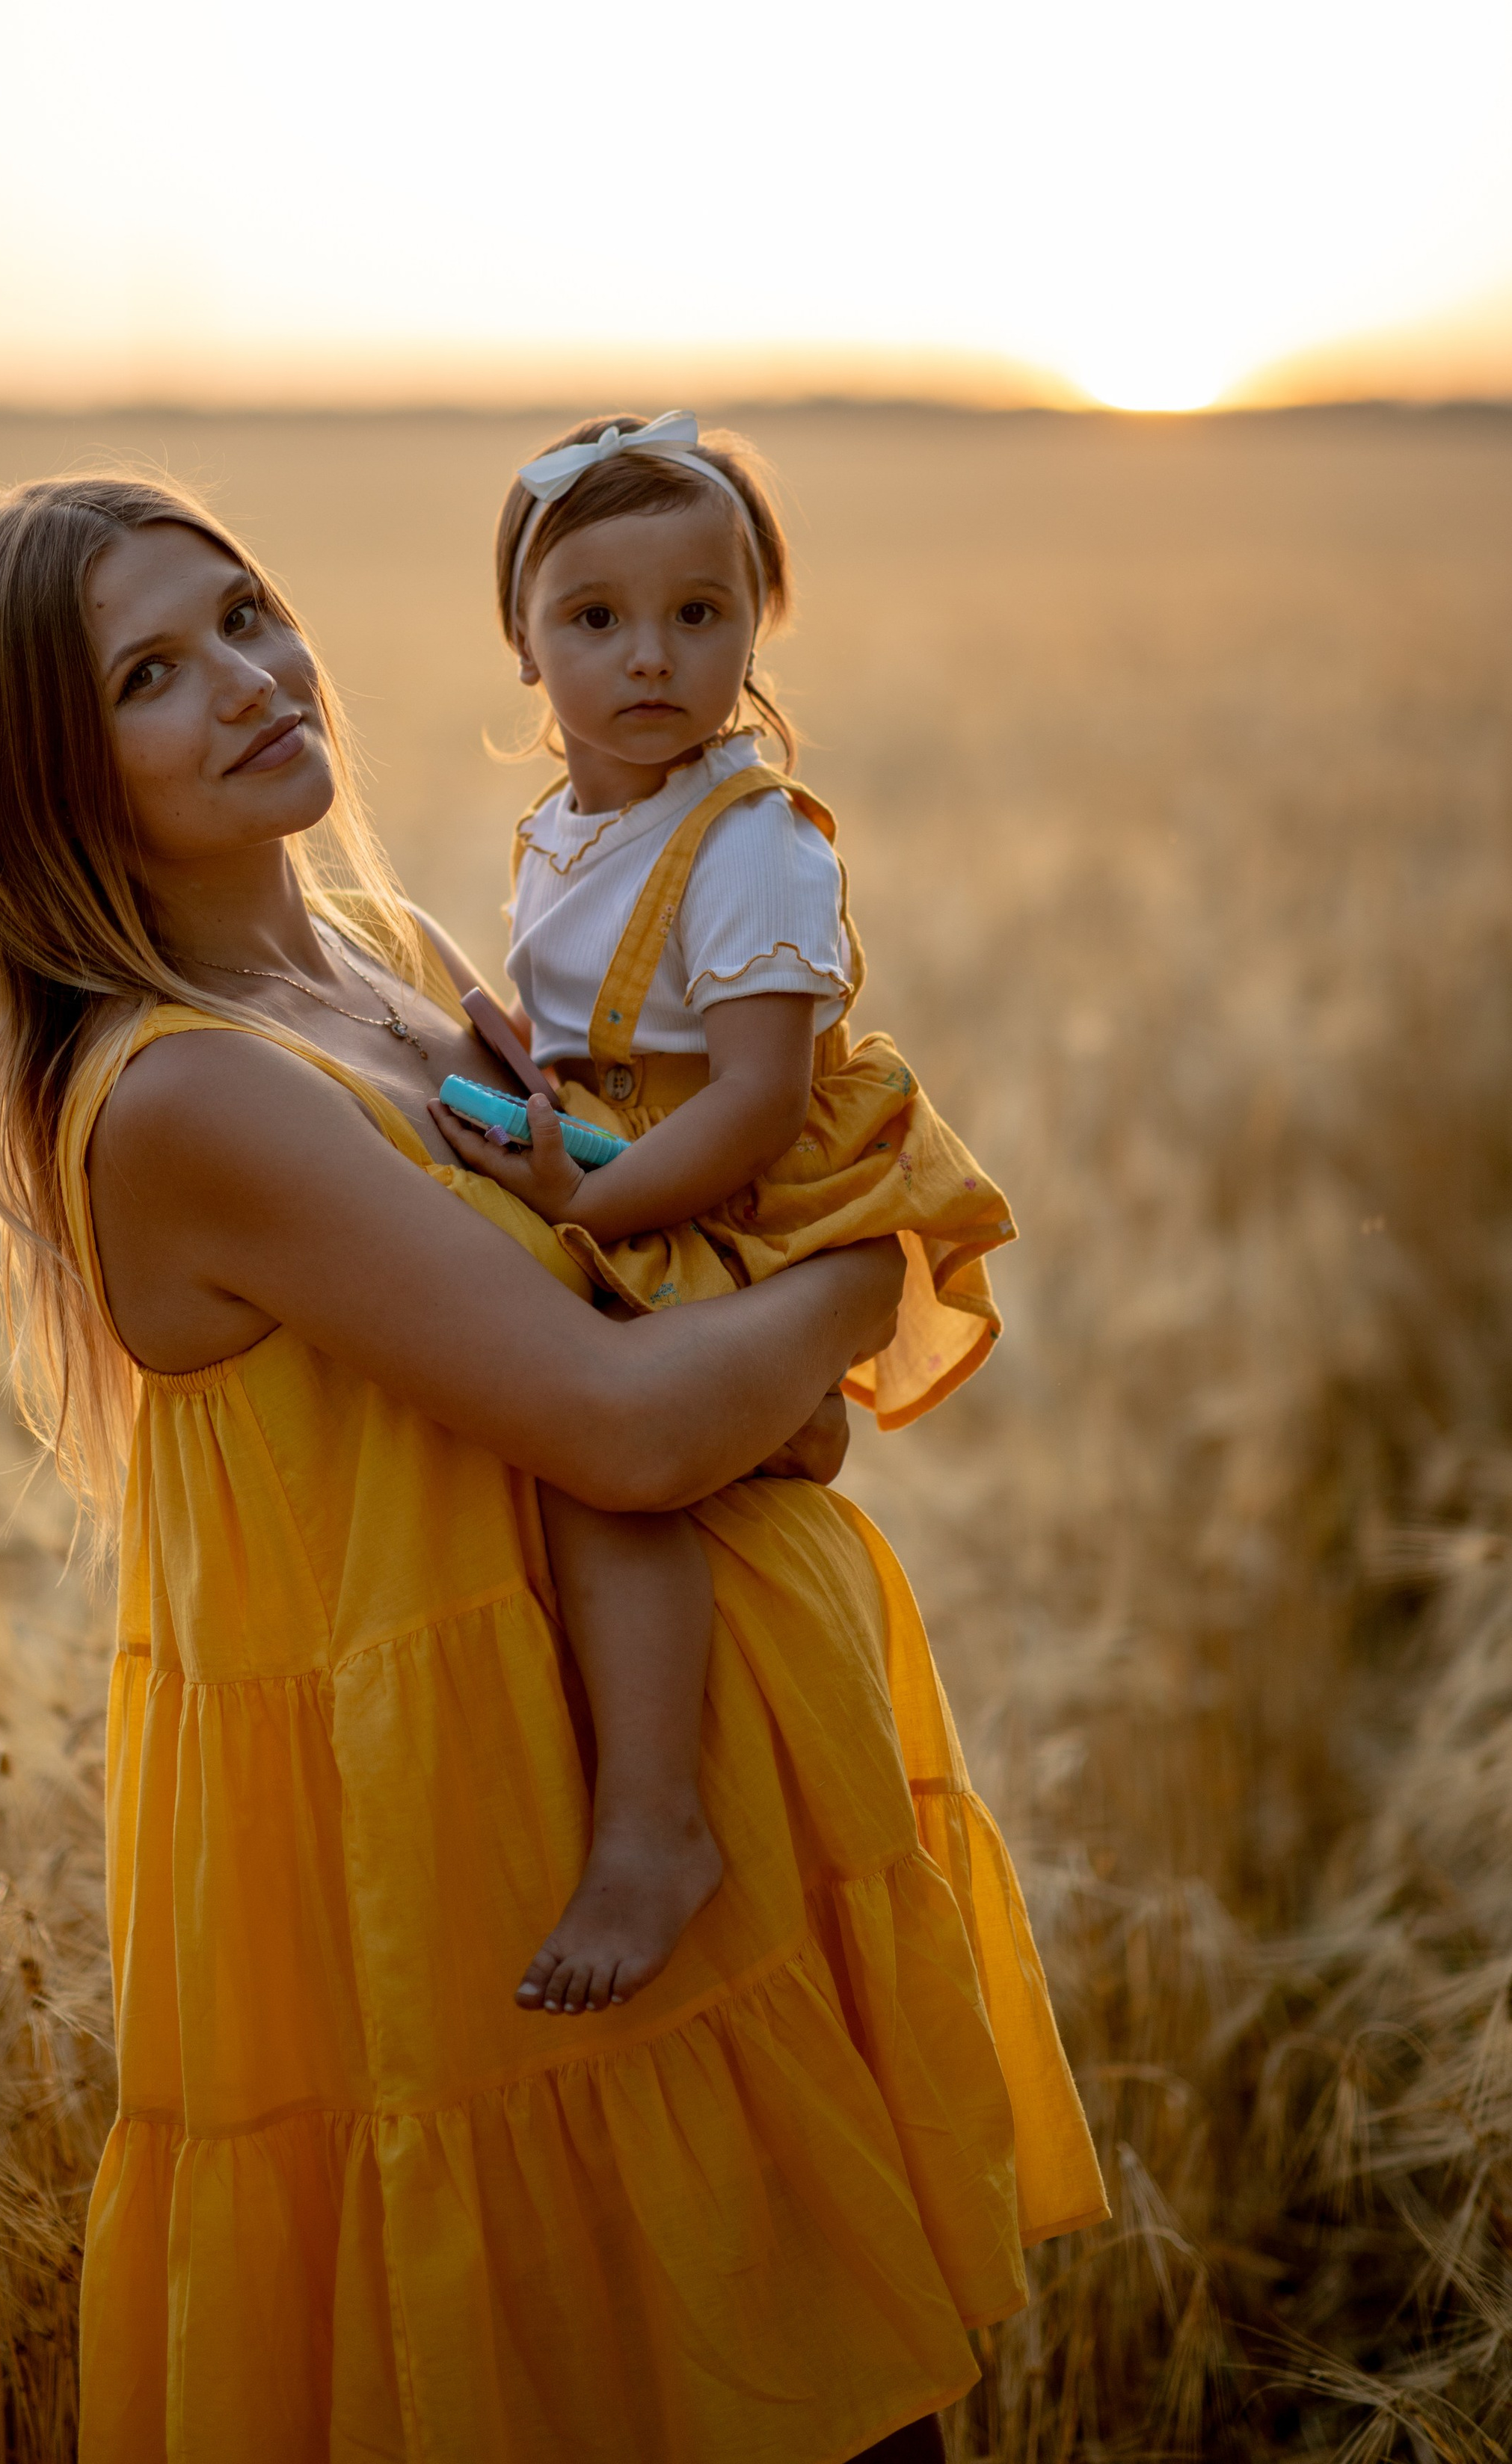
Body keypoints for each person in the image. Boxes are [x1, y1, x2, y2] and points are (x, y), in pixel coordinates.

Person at [0, 471, 1104, 2464]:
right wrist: (876, 1262)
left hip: (674, 1819)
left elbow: (636, 1296)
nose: (245, 682)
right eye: (146, 672)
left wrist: (743, 1349)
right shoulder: (191, 1087)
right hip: (484, 1880)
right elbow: (634, 1415)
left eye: (243, 614)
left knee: (819, 2394)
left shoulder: (388, 957)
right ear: (50, 775)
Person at [441, 415, 1021, 2023]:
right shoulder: (567, 822)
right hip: (642, 1157)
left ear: (755, 624)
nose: (650, 658)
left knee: (601, 1446)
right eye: (594, 618)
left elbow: (756, 1100)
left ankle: (653, 1828)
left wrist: (586, 1205)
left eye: (700, 614)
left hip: (746, 1196)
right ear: (521, 642)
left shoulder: (751, 843)